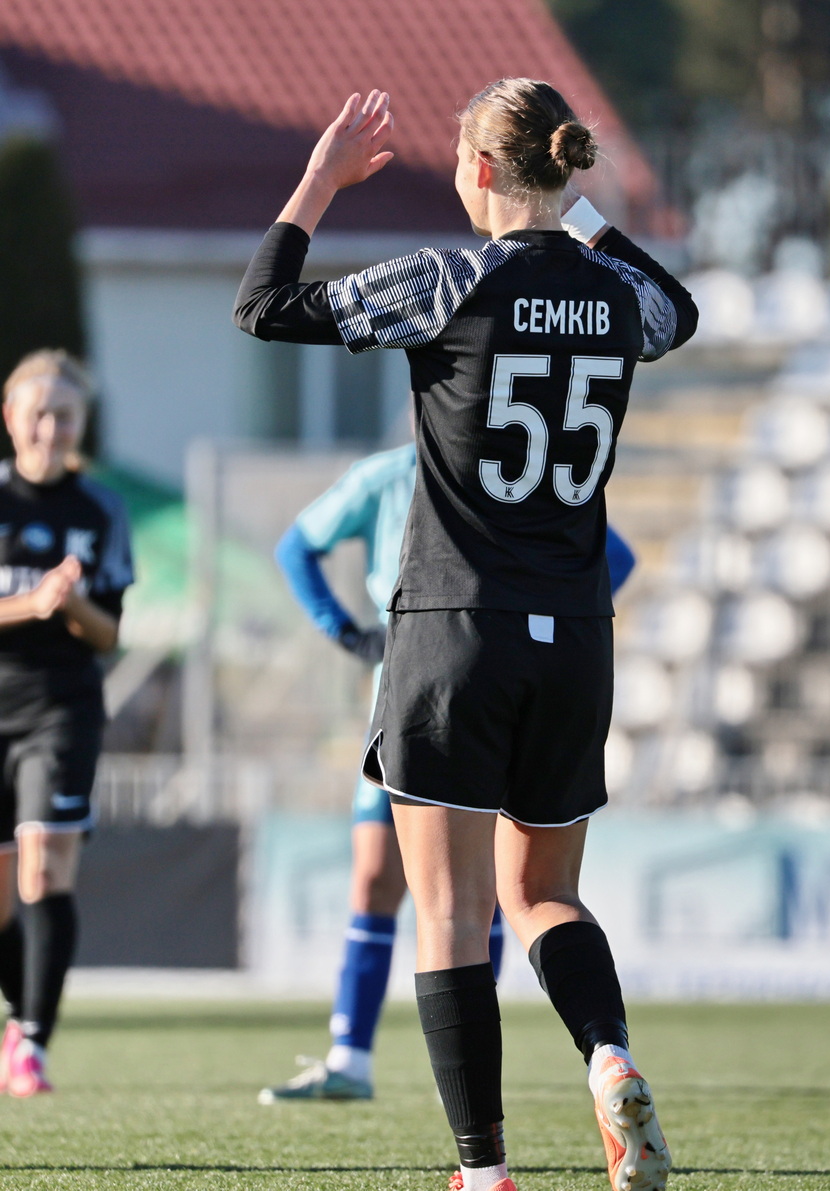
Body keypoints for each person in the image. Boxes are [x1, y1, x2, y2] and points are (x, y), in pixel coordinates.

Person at [235, 79, 696, 1191]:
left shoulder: (448, 278)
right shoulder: (615, 294)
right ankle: (609, 1053)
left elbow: (263, 305)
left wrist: (320, 180)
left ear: (481, 170)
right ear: (561, 169)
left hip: (455, 631)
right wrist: (580, 211)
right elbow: (679, 310)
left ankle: (484, 1173)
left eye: (457, 160)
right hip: (574, 637)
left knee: (448, 912)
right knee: (545, 896)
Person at [259, 437, 636, 1103]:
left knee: (476, 891)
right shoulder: (385, 476)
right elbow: (297, 547)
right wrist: (344, 631)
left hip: (474, 681)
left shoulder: (508, 464)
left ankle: (468, 1065)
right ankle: (351, 1056)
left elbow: (618, 555)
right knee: (381, 876)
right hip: (409, 686)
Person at [0, 350, 134, 1097]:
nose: (51, 428)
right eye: (39, 413)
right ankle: (19, 1016)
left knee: (44, 865)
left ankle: (31, 1042)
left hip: (62, 707)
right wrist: (34, 603)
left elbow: (108, 632)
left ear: (82, 423)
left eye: (66, 415)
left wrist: (72, 603)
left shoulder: (99, 509)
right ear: (11, 417)